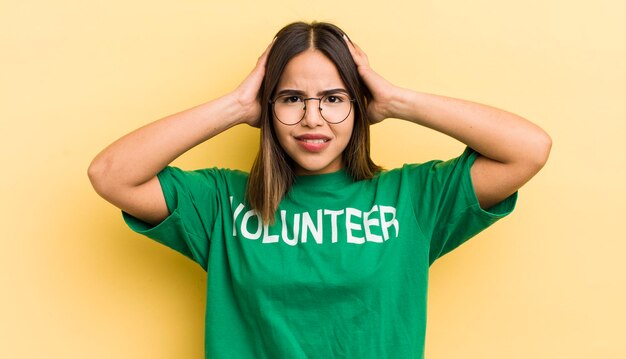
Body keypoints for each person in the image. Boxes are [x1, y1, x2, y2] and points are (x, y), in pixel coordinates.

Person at [88, 21, 551, 359]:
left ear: (359, 103)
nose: (313, 119)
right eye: (291, 99)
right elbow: (111, 174)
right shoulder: (221, 203)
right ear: (267, 108)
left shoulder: (412, 198)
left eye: (333, 98)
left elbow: (528, 149)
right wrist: (234, 106)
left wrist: (395, 100)